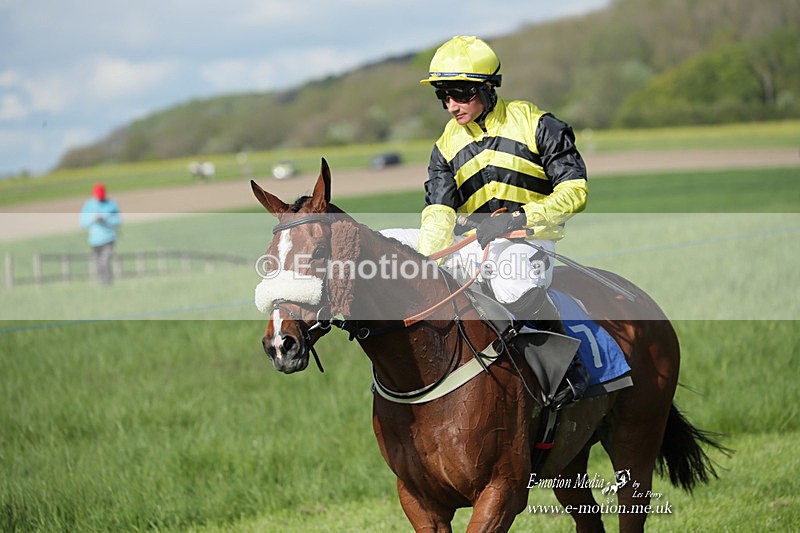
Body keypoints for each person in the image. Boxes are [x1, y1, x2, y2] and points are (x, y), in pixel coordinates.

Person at [383, 36, 589, 410]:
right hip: (472, 245)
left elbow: (575, 192)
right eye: (443, 95)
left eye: (459, 93)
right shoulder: (445, 145)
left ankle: (568, 365)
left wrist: (519, 218)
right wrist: (428, 261)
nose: (451, 105)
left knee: (511, 286)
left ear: (487, 87)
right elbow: (439, 212)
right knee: (387, 242)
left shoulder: (539, 124)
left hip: (527, 242)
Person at [80, 183, 122, 285]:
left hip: (108, 239)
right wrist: (93, 219)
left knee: (105, 262)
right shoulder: (88, 205)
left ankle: (108, 284)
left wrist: (105, 220)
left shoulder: (111, 204)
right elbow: (83, 222)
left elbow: (118, 221)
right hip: (94, 240)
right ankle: (102, 284)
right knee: (98, 264)